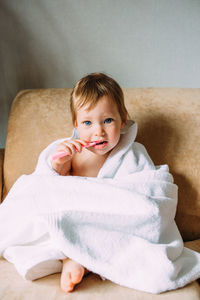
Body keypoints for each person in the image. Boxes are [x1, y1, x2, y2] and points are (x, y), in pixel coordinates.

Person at [50, 72, 129, 292]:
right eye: (87, 122)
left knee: (110, 235)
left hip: (107, 217)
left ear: (123, 119)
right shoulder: (72, 151)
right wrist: (59, 163)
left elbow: (142, 186)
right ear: (76, 124)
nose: (98, 131)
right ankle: (71, 258)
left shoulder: (131, 155)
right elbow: (52, 182)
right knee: (60, 222)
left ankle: (86, 261)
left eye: (108, 120)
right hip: (76, 212)